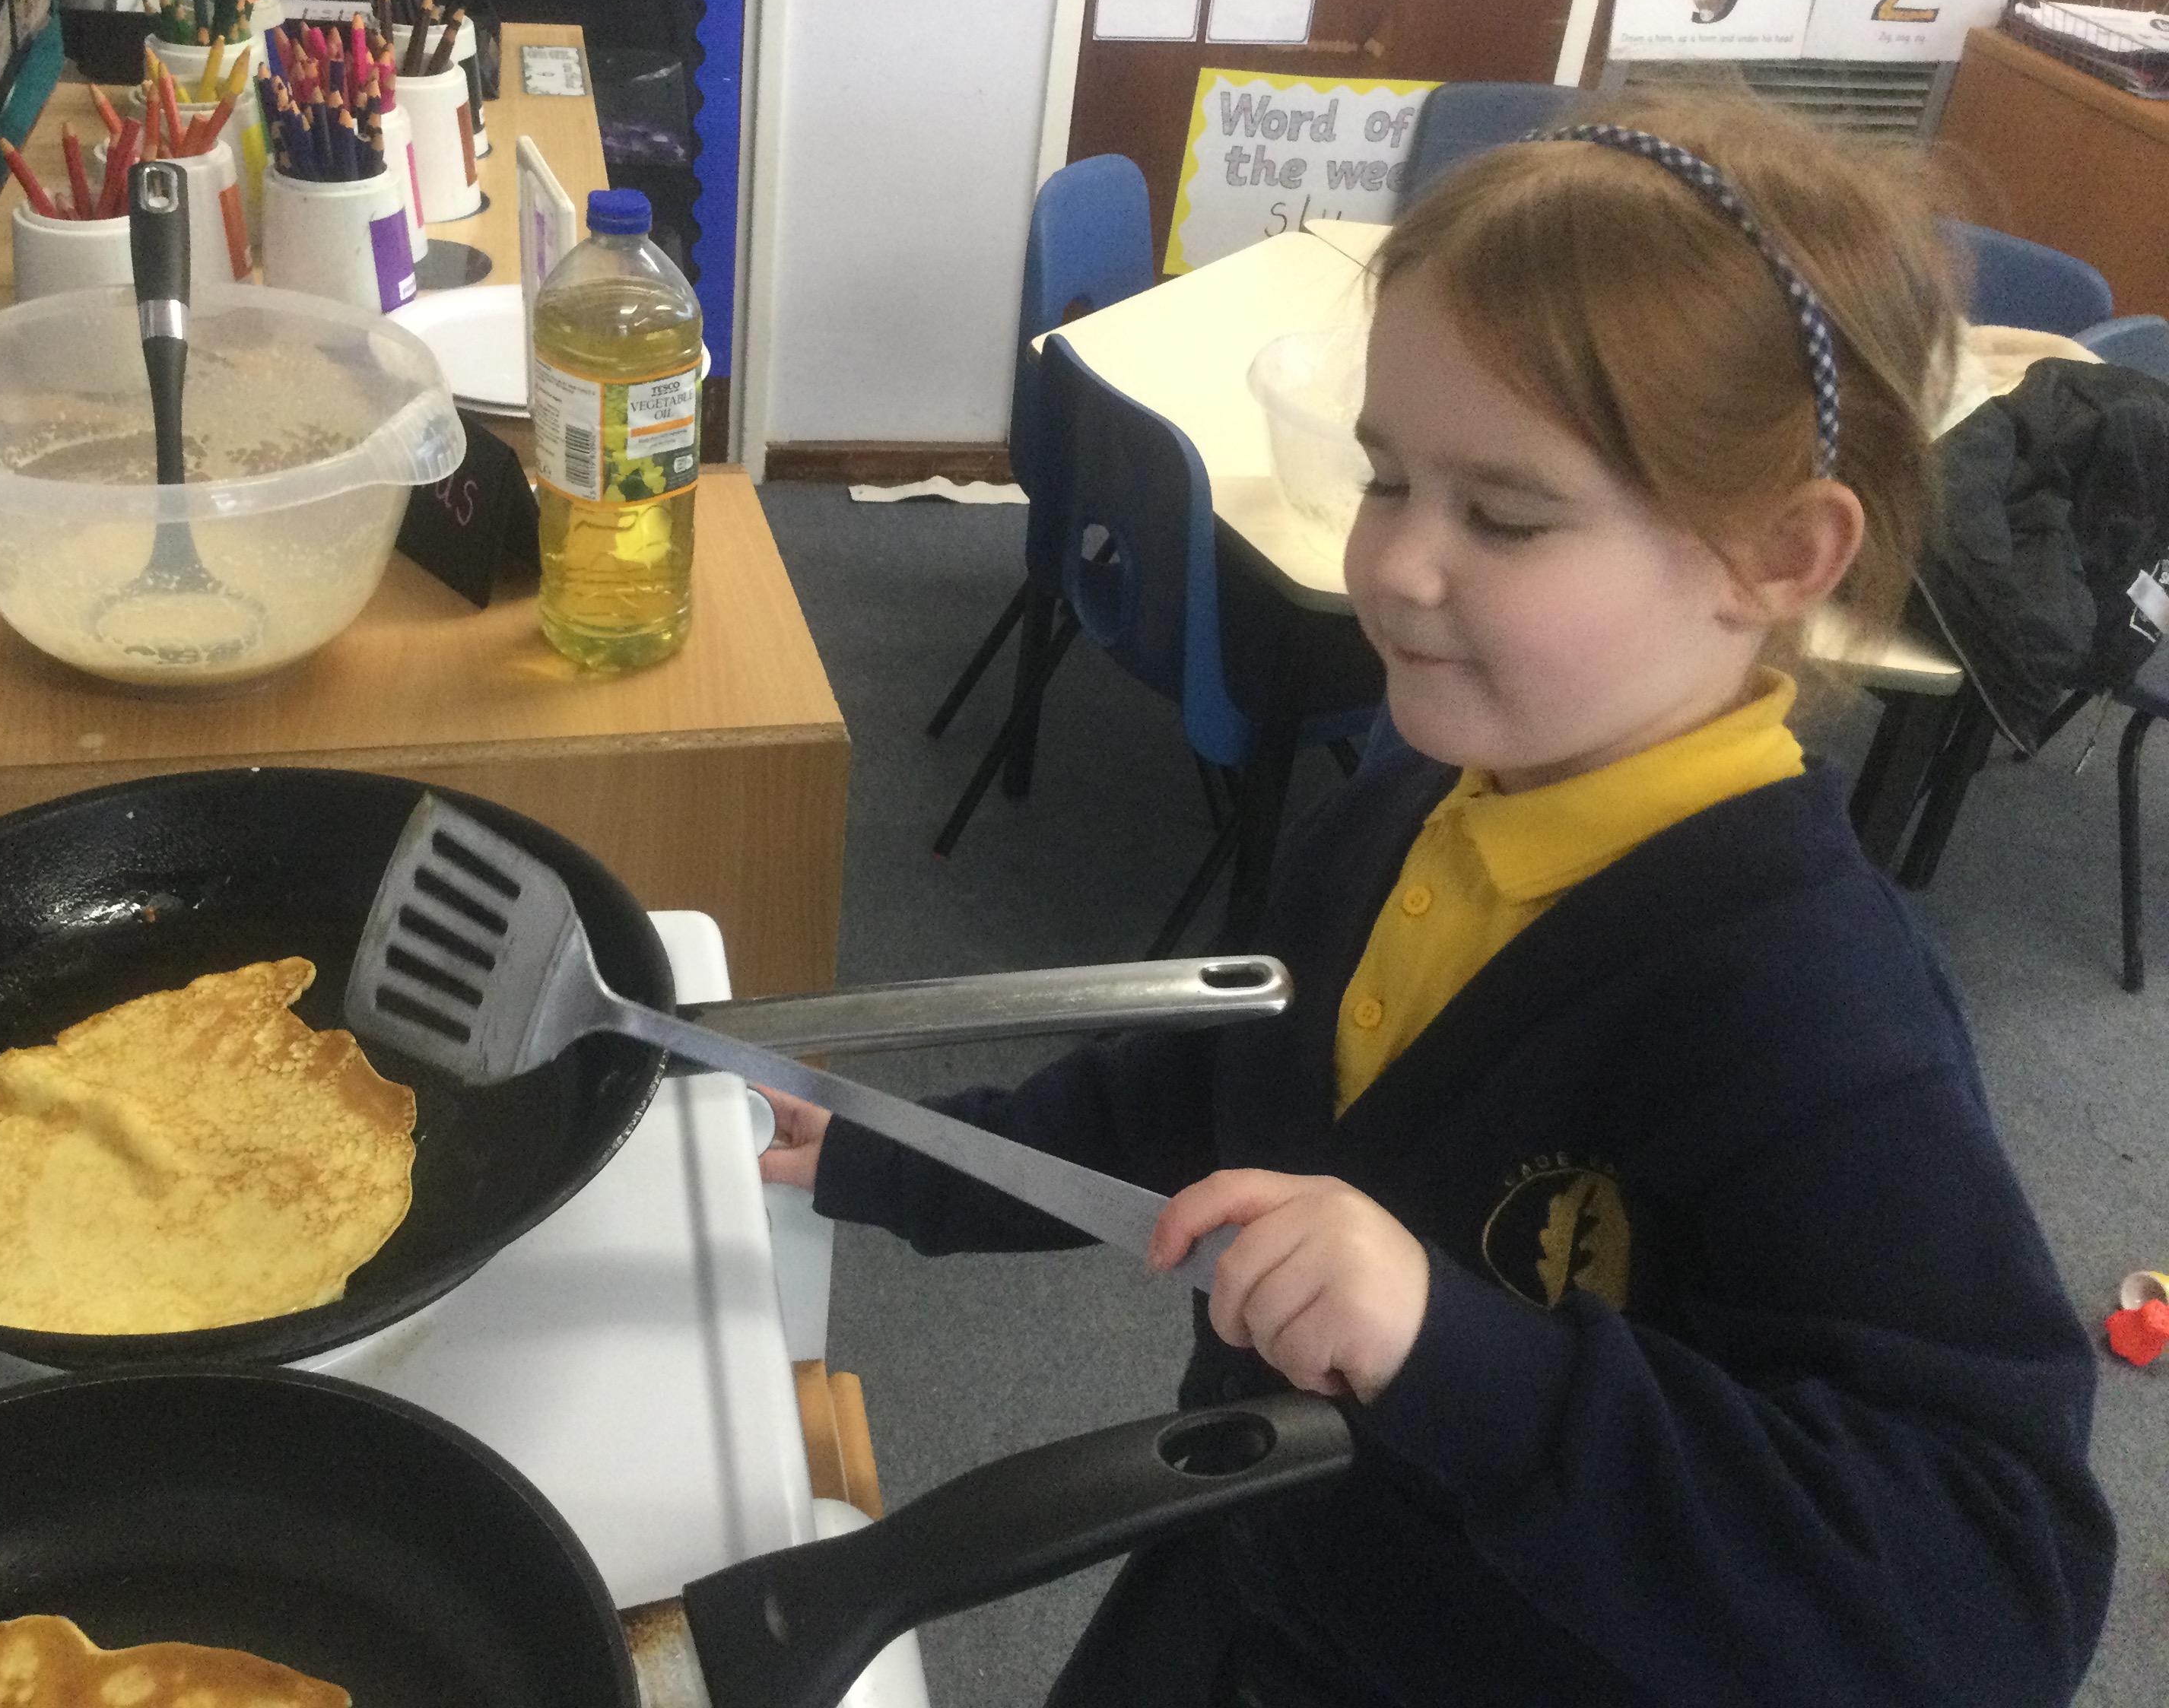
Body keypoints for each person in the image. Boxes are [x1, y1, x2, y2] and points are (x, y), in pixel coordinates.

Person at [755, 91, 2116, 1706]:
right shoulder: (1414, 802)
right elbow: (1218, 1100)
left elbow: (1994, 1590)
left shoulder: (1814, 1011)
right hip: (1252, 1561)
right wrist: (906, 1158)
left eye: (1507, 516)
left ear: (1777, 556)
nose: (1393, 565)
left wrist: (1453, 1354)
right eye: (1388, 477)